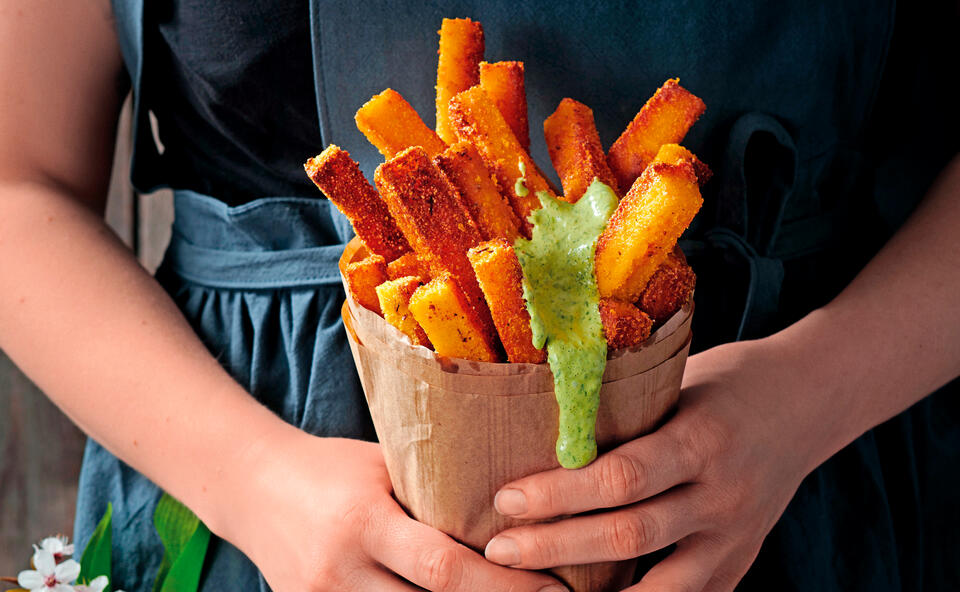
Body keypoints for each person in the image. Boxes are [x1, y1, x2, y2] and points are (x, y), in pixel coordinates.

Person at [0, 1, 956, 591]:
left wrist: (809, 395)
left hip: (806, 483)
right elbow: (18, 184)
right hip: (243, 509)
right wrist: (252, 482)